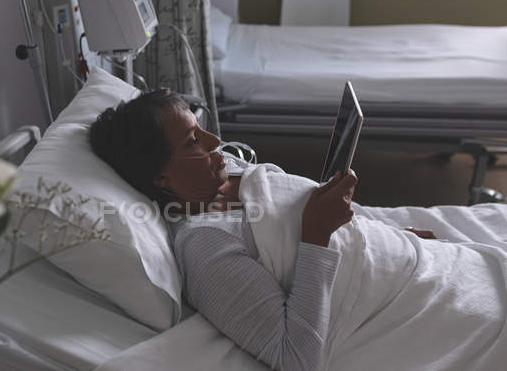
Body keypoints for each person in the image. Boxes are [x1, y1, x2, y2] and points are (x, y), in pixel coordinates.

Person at [89, 89, 502, 371]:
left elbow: (315, 211)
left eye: (202, 129)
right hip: (401, 310)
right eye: (193, 143)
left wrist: (393, 231)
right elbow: (296, 355)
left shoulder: (229, 170)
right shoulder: (205, 243)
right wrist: (315, 235)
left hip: (415, 262)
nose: (216, 140)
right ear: (161, 179)